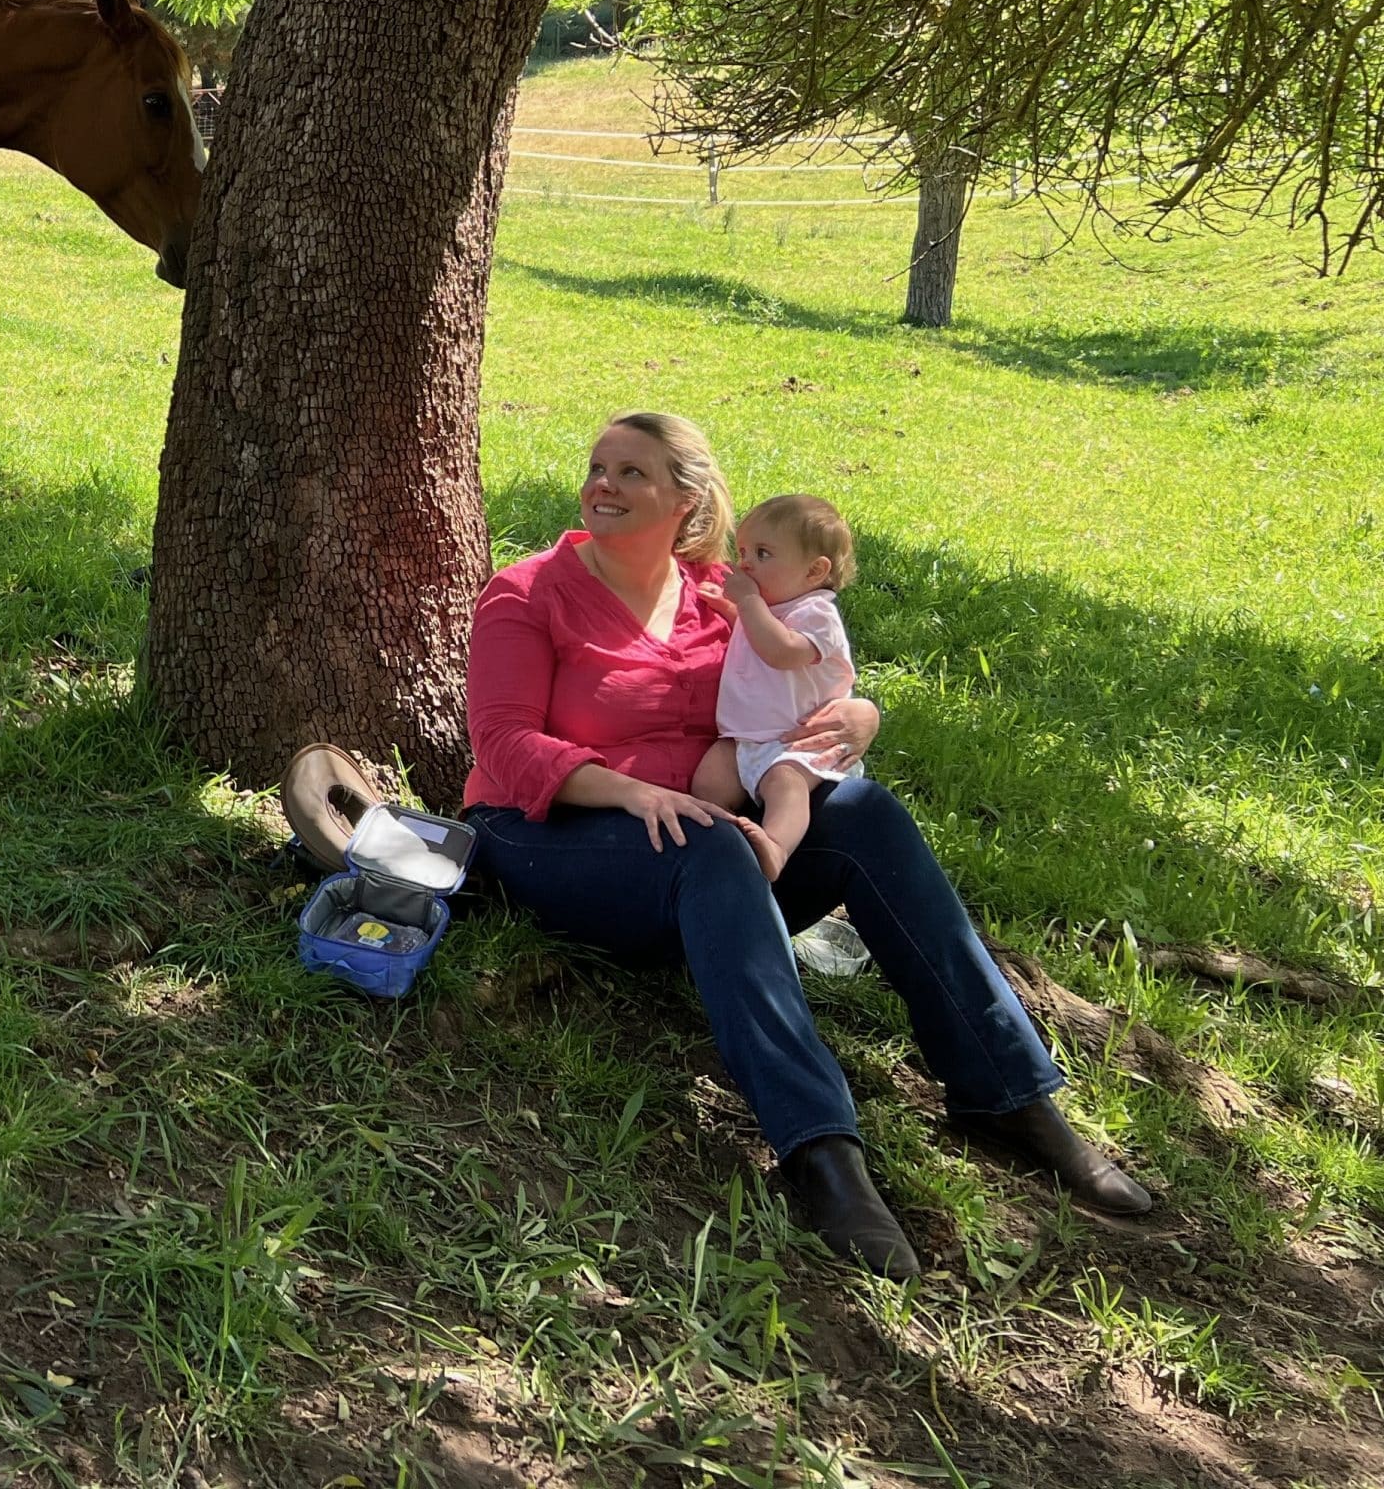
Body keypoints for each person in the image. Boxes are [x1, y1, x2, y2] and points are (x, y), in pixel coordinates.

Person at [462, 413, 1152, 1278]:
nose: (603, 484)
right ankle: (821, 1152)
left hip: (699, 849)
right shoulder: (529, 592)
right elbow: (503, 742)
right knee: (715, 845)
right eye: (597, 467)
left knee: (864, 812)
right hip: (552, 836)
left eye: (632, 473)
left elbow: (806, 681)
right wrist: (633, 791)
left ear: (687, 498)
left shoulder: (728, 594)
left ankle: (1008, 1096)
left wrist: (859, 714)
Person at [693, 494, 859, 879]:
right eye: (744, 550)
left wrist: (748, 604)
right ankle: (714, 847)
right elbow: (756, 639)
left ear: (815, 571)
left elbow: (782, 652)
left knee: (786, 786)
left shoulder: (818, 613)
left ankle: (776, 848)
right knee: (708, 782)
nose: (745, 563)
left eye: (763, 554)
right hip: (746, 738)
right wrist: (733, 611)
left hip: (795, 743)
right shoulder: (771, 609)